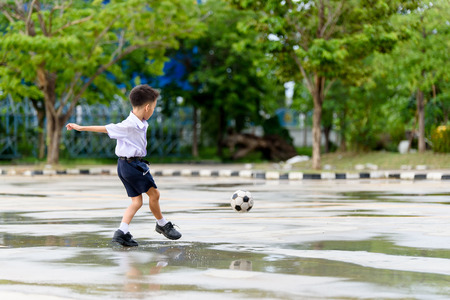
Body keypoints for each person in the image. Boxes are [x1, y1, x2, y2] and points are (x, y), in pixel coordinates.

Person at [66, 84, 181, 247]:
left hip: (125, 165)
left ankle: (122, 232)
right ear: (147, 107)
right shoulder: (129, 125)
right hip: (133, 166)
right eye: (154, 108)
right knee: (154, 195)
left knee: (137, 202)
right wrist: (81, 127)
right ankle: (162, 224)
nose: (153, 111)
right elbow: (107, 128)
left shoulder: (139, 122)